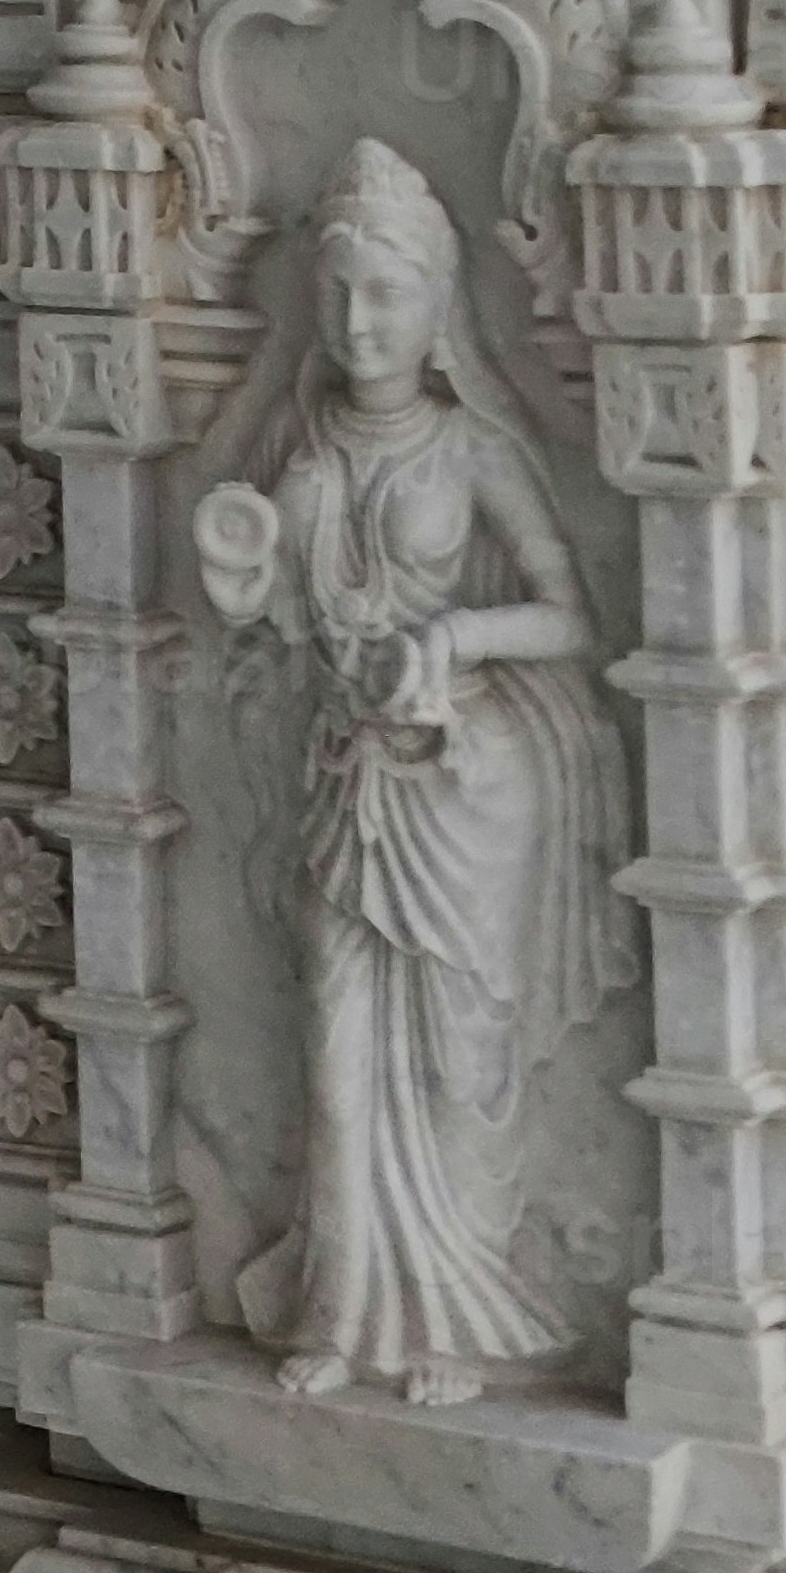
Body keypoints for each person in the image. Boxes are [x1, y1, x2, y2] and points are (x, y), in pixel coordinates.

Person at [193, 142, 621, 1406]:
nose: (356, 319)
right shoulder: (300, 438)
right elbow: (275, 608)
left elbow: (568, 615)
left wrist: (454, 636)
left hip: (465, 786)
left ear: (437, 305)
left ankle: (459, 1315)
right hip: (345, 776)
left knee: (456, 1059)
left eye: (384, 292)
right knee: (334, 1061)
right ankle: (340, 1302)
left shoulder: (470, 448)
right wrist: (245, 581)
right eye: (334, 292)